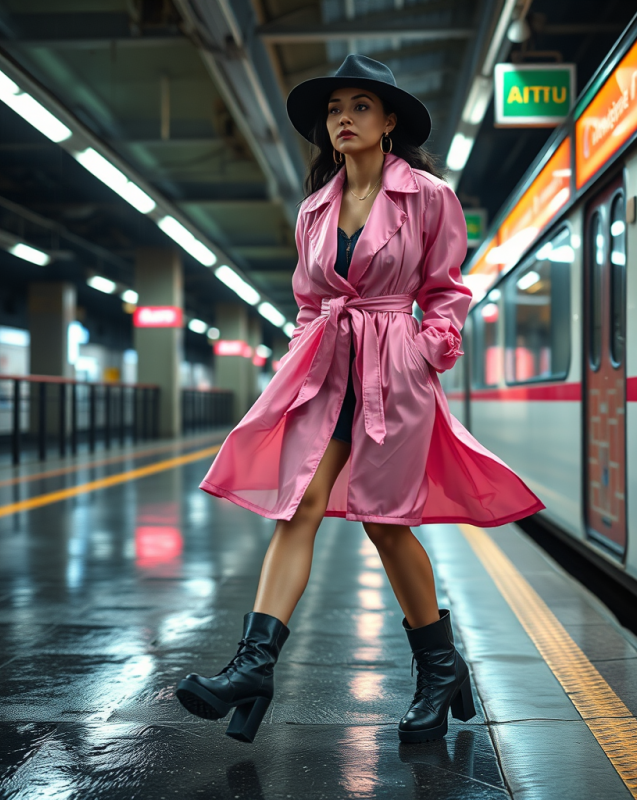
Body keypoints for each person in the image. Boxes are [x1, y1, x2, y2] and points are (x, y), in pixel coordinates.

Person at [175, 54, 544, 745]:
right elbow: (309, 302)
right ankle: (252, 667)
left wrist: (424, 351)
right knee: (299, 507)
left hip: (391, 374)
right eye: (334, 108)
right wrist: (298, 356)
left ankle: (439, 669)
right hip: (324, 369)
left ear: (389, 122)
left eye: (360, 107)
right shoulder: (314, 208)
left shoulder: (427, 196)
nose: (343, 118)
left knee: (385, 521)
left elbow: (446, 292)